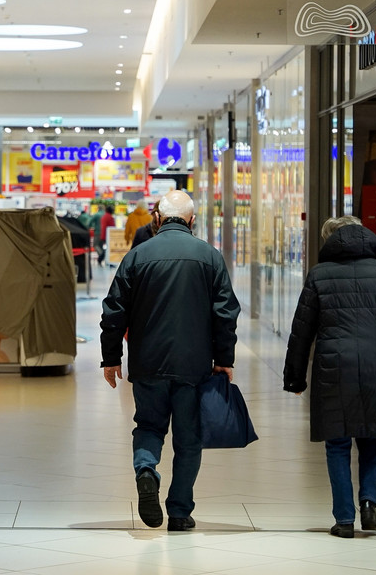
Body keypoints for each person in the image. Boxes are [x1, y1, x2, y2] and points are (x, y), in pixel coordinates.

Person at [100, 190, 240, 532]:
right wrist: (223, 358)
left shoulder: (137, 256)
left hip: (148, 363)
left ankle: (146, 470)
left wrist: (111, 358)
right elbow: (226, 313)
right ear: (192, 220)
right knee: (189, 438)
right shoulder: (209, 256)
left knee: (149, 426)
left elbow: (114, 310)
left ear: (158, 219)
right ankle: (179, 511)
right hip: (194, 366)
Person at [283, 215, 376, 539]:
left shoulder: (319, 275)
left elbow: (302, 332)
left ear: (329, 241)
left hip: (334, 368)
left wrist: (295, 378)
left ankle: (344, 519)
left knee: (338, 443)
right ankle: (369, 502)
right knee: (371, 438)